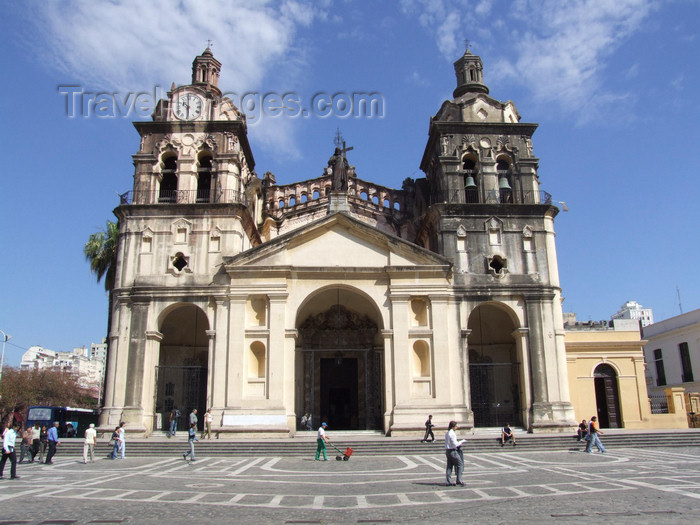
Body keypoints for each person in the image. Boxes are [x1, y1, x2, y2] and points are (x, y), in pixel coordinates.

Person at [444, 420, 465, 486]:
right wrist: (461, 442)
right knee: (460, 464)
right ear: (453, 426)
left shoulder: (447, 433)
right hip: (453, 451)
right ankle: (459, 480)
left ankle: (448, 481)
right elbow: (455, 444)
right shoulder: (452, 433)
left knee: (449, 467)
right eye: (456, 426)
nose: (457, 427)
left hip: (447, 451)